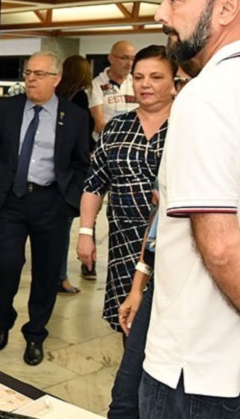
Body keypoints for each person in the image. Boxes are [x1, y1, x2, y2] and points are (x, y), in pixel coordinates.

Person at [140, 0, 240, 418]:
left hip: (200, 374)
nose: (160, 14)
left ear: (227, 8)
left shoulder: (207, 96)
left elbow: (220, 246)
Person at [0, 51, 89, 366]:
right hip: (10, 201)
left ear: (56, 79)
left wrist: (69, 200)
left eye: (39, 74)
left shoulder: (74, 116)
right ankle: (4, 317)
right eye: (28, 73)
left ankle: (35, 334)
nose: (31, 79)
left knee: (47, 273)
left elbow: (82, 163)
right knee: (4, 263)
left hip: (51, 202)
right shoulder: (7, 109)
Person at [108, 59, 201, 419]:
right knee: (125, 400)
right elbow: (158, 225)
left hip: (197, 295)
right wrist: (137, 287)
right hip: (156, 282)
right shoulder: (177, 142)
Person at [76, 45, 176, 335]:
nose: (145, 84)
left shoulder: (187, 126)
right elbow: (94, 183)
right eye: (139, 77)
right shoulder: (117, 127)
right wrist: (85, 233)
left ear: (174, 82)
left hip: (172, 243)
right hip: (123, 243)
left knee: (167, 326)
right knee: (127, 322)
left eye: (156, 77)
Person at [83, 40, 137, 281]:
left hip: (132, 155)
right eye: (124, 57)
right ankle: (88, 260)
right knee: (93, 207)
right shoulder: (97, 84)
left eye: (132, 58)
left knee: (124, 208)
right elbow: (99, 122)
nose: (129, 63)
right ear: (111, 58)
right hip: (105, 152)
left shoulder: (135, 82)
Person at [54, 54, 94, 295]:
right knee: (65, 226)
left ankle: (55, 275)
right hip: (70, 170)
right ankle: (60, 277)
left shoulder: (56, 96)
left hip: (56, 167)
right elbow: (84, 133)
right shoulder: (80, 97)